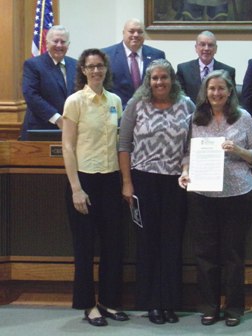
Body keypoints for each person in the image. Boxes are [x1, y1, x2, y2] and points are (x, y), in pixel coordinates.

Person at [178, 70, 252, 327]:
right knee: (205, 254)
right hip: (203, 195)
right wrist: (184, 171)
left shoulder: (243, 118)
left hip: (237, 194)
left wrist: (238, 150)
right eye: (211, 89)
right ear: (205, 92)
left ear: (229, 92)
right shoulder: (195, 119)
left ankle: (235, 307)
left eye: (221, 89)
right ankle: (209, 307)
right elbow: (186, 154)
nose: (216, 93)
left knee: (233, 254)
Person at [118, 59, 195, 324]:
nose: (159, 82)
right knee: (148, 243)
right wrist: (127, 182)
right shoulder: (135, 105)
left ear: (172, 80)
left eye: (164, 77)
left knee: (172, 243)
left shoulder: (187, 105)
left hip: (176, 183)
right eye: (154, 78)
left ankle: (170, 302)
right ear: (147, 81)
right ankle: (151, 303)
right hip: (143, 181)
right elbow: (124, 144)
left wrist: (186, 168)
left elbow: (191, 146)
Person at [62, 49, 128, 327]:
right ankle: (88, 305)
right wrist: (76, 188)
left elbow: (119, 141)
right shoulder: (75, 102)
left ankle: (109, 302)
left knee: (113, 245)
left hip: (111, 179)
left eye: (100, 66)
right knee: (85, 247)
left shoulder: (115, 101)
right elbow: (67, 145)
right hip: (84, 181)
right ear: (83, 71)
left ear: (105, 69)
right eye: (91, 67)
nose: (96, 71)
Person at [20, 25, 77, 140]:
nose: (59, 45)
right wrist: (57, 119)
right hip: (40, 130)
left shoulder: (76, 65)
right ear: (47, 43)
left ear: (68, 45)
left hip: (71, 130)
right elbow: (31, 95)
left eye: (63, 42)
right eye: (55, 41)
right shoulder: (33, 65)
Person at [102, 18, 166, 108]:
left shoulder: (157, 55)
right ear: (123, 33)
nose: (136, 35)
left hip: (150, 114)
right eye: (131, 31)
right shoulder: (107, 55)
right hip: (118, 114)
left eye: (140, 32)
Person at [176, 30, 236, 103]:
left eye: (210, 45)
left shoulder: (228, 71)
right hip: (192, 112)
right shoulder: (183, 69)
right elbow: (180, 98)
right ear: (196, 48)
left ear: (216, 49)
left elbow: (232, 100)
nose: (206, 48)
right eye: (202, 44)